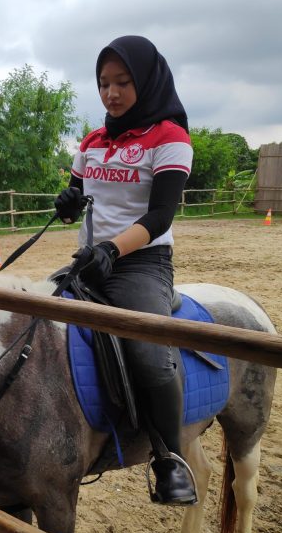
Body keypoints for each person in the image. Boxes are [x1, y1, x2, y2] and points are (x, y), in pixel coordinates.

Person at [54, 35, 197, 505]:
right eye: (103, 83)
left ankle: (171, 459)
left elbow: (160, 217)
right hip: (91, 261)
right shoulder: (93, 142)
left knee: (149, 354)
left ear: (148, 81)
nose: (111, 93)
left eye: (122, 82)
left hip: (140, 264)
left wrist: (113, 250)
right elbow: (79, 199)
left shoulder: (169, 139)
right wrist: (68, 203)